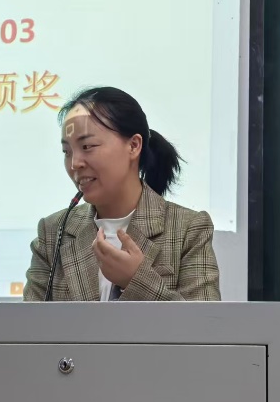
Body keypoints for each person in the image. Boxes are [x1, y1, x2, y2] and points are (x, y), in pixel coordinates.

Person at [24, 86, 221, 302]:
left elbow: (205, 322)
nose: (75, 163)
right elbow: (28, 322)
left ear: (134, 146)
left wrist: (135, 280)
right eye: (67, 152)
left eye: (87, 146)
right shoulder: (54, 232)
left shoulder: (188, 230)